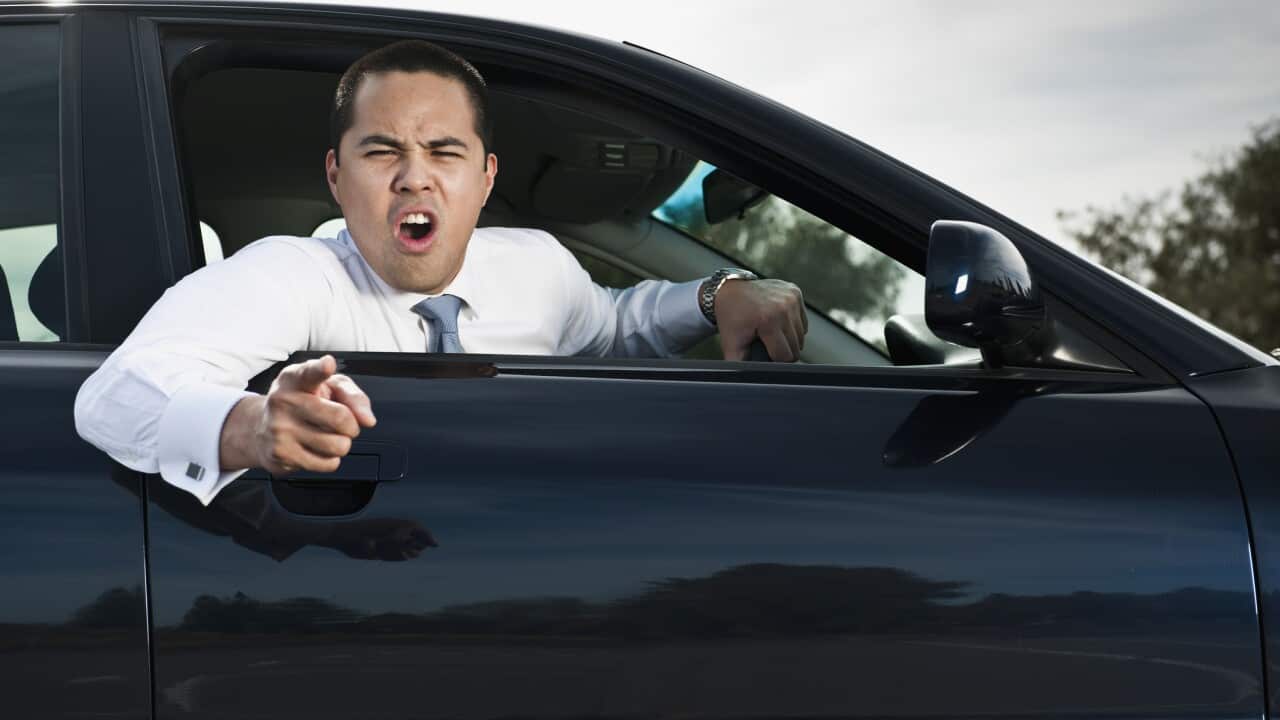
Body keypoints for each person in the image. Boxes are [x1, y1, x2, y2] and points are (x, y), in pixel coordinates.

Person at [74, 40, 807, 506]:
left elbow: (614, 328)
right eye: (381, 151)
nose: (413, 179)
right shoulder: (289, 275)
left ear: (486, 179)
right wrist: (252, 426)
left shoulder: (537, 267)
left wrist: (719, 296)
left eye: (445, 153)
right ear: (337, 176)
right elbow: (114, 394)